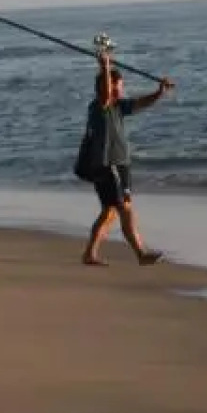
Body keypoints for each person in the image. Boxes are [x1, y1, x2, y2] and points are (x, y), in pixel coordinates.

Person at [78, 47, 173, 266]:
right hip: (107, 163)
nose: (123, 88)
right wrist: (105, 67)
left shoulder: (119, 106)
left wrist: (159, 92)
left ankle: (90, 254)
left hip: (119, 164)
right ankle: (141, 254)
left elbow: (142, 103)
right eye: (119, 85)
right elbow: (104, 95)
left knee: (110, 211)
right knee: (125, 208)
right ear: (109, 87)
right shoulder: (99, 107)